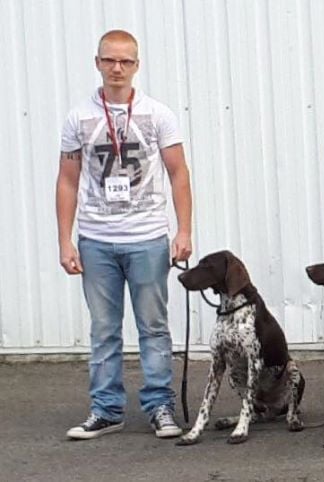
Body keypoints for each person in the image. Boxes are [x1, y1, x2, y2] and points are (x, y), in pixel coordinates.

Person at [57, 30, 193, 440]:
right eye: (109, 60)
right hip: (96, 239)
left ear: (137, 65)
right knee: (104, 329)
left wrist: (183, 229)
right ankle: (106, 409)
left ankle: (160, 406)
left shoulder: (157, 114)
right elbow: (67, 180)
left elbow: (178, 173)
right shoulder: (79, 117)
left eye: (126, 61)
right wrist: (65, 240)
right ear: (97, 62)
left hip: (147, 236)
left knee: (153, 325)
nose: (117, 68)